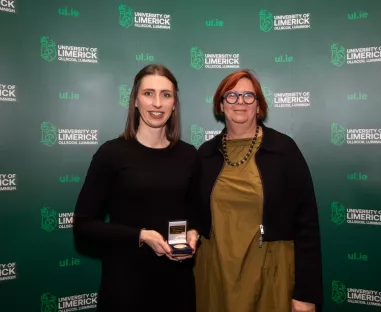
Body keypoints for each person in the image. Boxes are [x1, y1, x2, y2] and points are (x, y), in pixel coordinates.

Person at [73, 64, 200, 311]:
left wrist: (193, 235)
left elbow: (196, 215)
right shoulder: (111, 154)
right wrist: (141, 236)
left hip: (177, 287)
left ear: (174, 104)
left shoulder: (189, 155)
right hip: (125, 287)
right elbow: (84, 226)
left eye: (166, 95)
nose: (157, 103)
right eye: (148, 93)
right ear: (135, 101)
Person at [193, 70, 323, 312]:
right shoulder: (204, 155)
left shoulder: (284, 151)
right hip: (215, 276)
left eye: (248, 96)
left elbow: (307, 225)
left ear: (259, 106)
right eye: (231, 95)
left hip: (270, 277)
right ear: (221, 106)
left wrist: (306, 294)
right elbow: (190, 213)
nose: (240, 102)